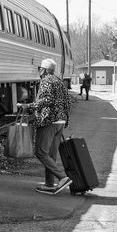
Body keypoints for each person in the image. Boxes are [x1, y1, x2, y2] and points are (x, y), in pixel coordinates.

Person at [24, 59, 72, 195]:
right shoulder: (59, 81)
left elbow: (47, 100)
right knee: (50, 155)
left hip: (48, 121)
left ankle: (62, 178)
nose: (39, 70)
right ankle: (49, 184)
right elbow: (67, 102)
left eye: (40, 68)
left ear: (44, 69)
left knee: (40, 152)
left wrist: (30, 106)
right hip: (60, 121)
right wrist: (64, 119)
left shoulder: (46, 80)